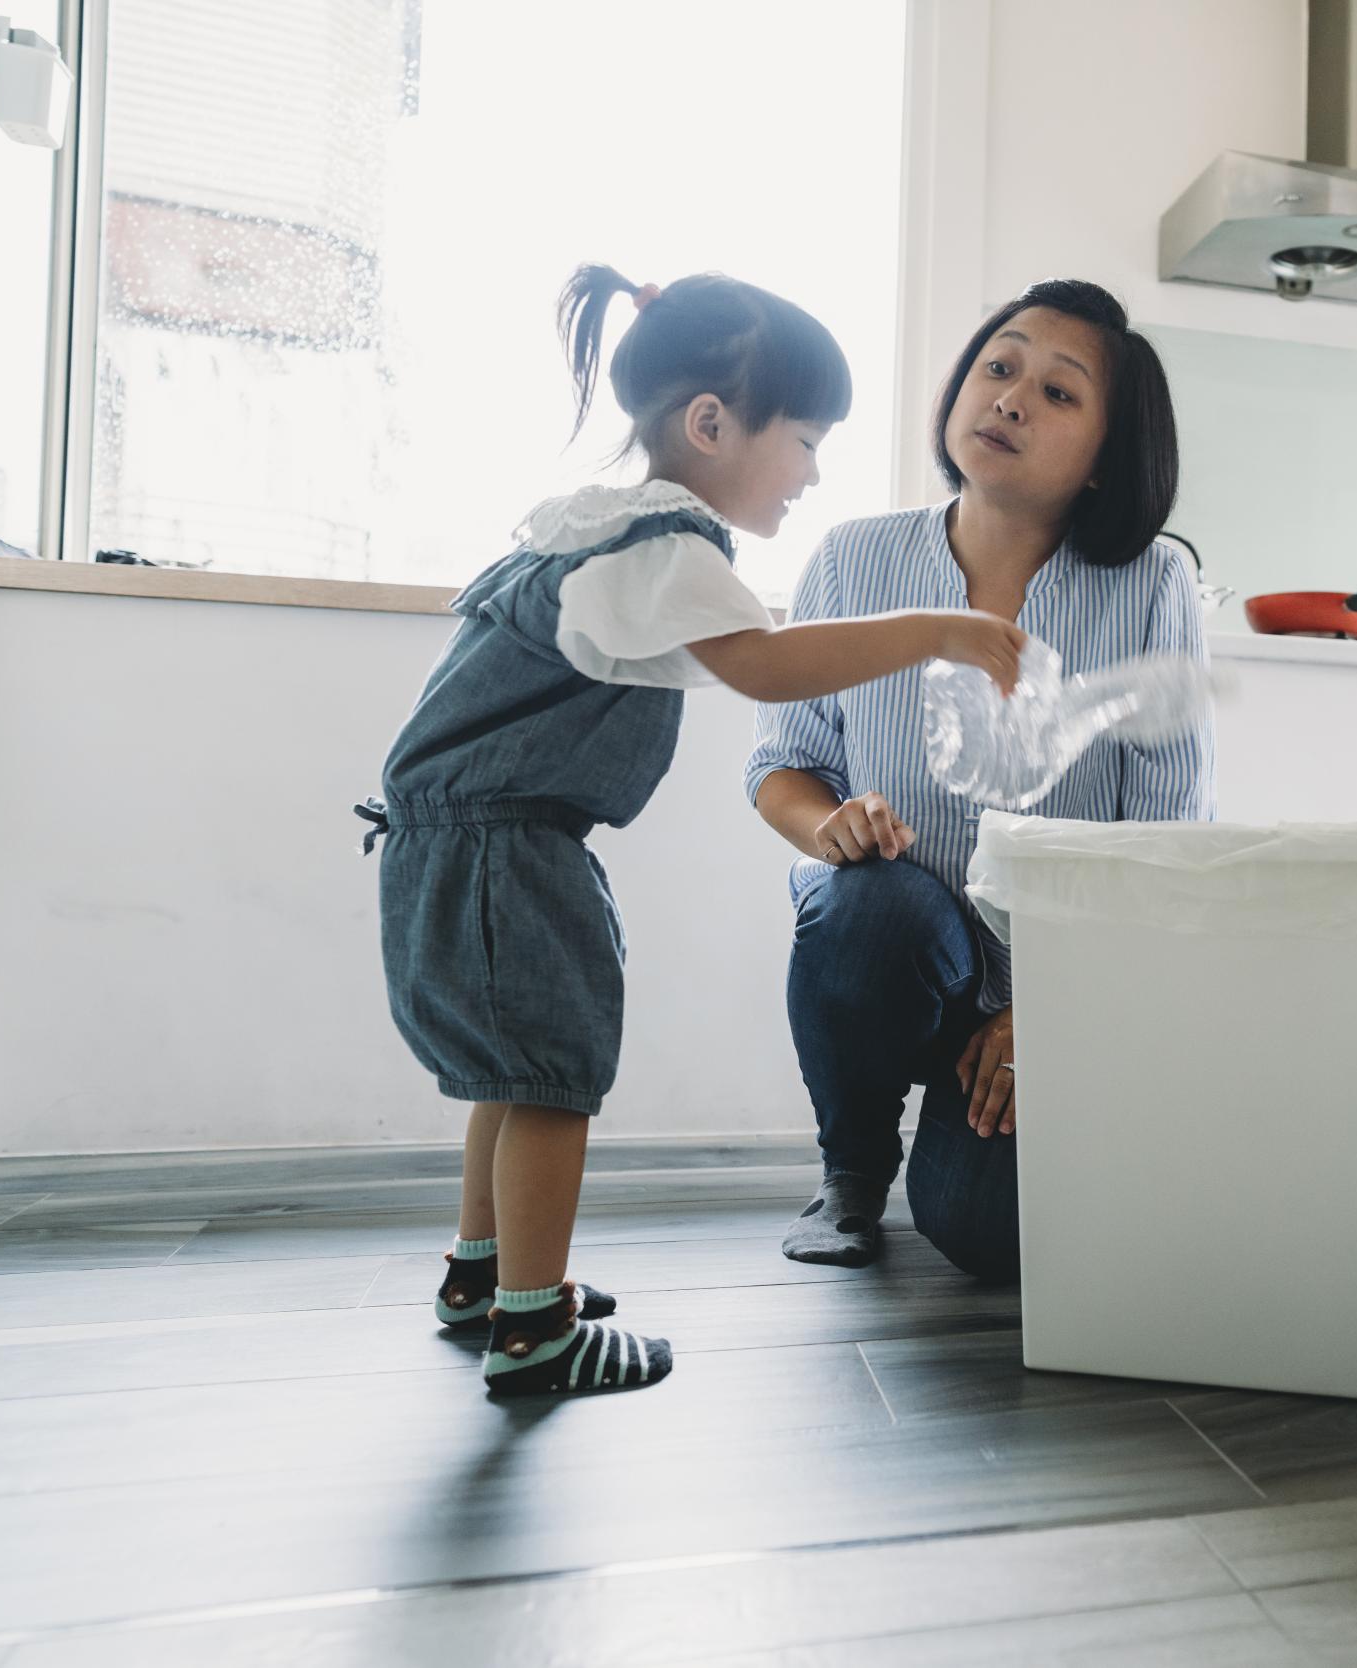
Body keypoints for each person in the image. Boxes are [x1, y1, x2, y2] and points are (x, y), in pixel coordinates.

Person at [359, 264, 1024, 1395]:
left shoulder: (587, 532)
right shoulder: (665, 543)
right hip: (504, 848)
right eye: (806, 439)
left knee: (509, 1076)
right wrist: (939, 631)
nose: (813, 473)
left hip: (464, 840)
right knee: (555, 1083)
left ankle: (487, 1274)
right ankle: (535, 1328)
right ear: (710, 424)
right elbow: (767, 667)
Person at [749, 279, 1214, 1281]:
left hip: (1054, 970)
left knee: (987, 1240)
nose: (1007, 397)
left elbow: (1168, 833)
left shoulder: (1153, 585)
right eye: (998, 367)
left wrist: (1051, 1007)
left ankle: (963, 1147)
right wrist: (829, 826)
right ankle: (853, 1171)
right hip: (890, 944)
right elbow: (783, 765)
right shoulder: (852, 558)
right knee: (864, 906)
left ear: (1106, 457)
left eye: (1058, 393)